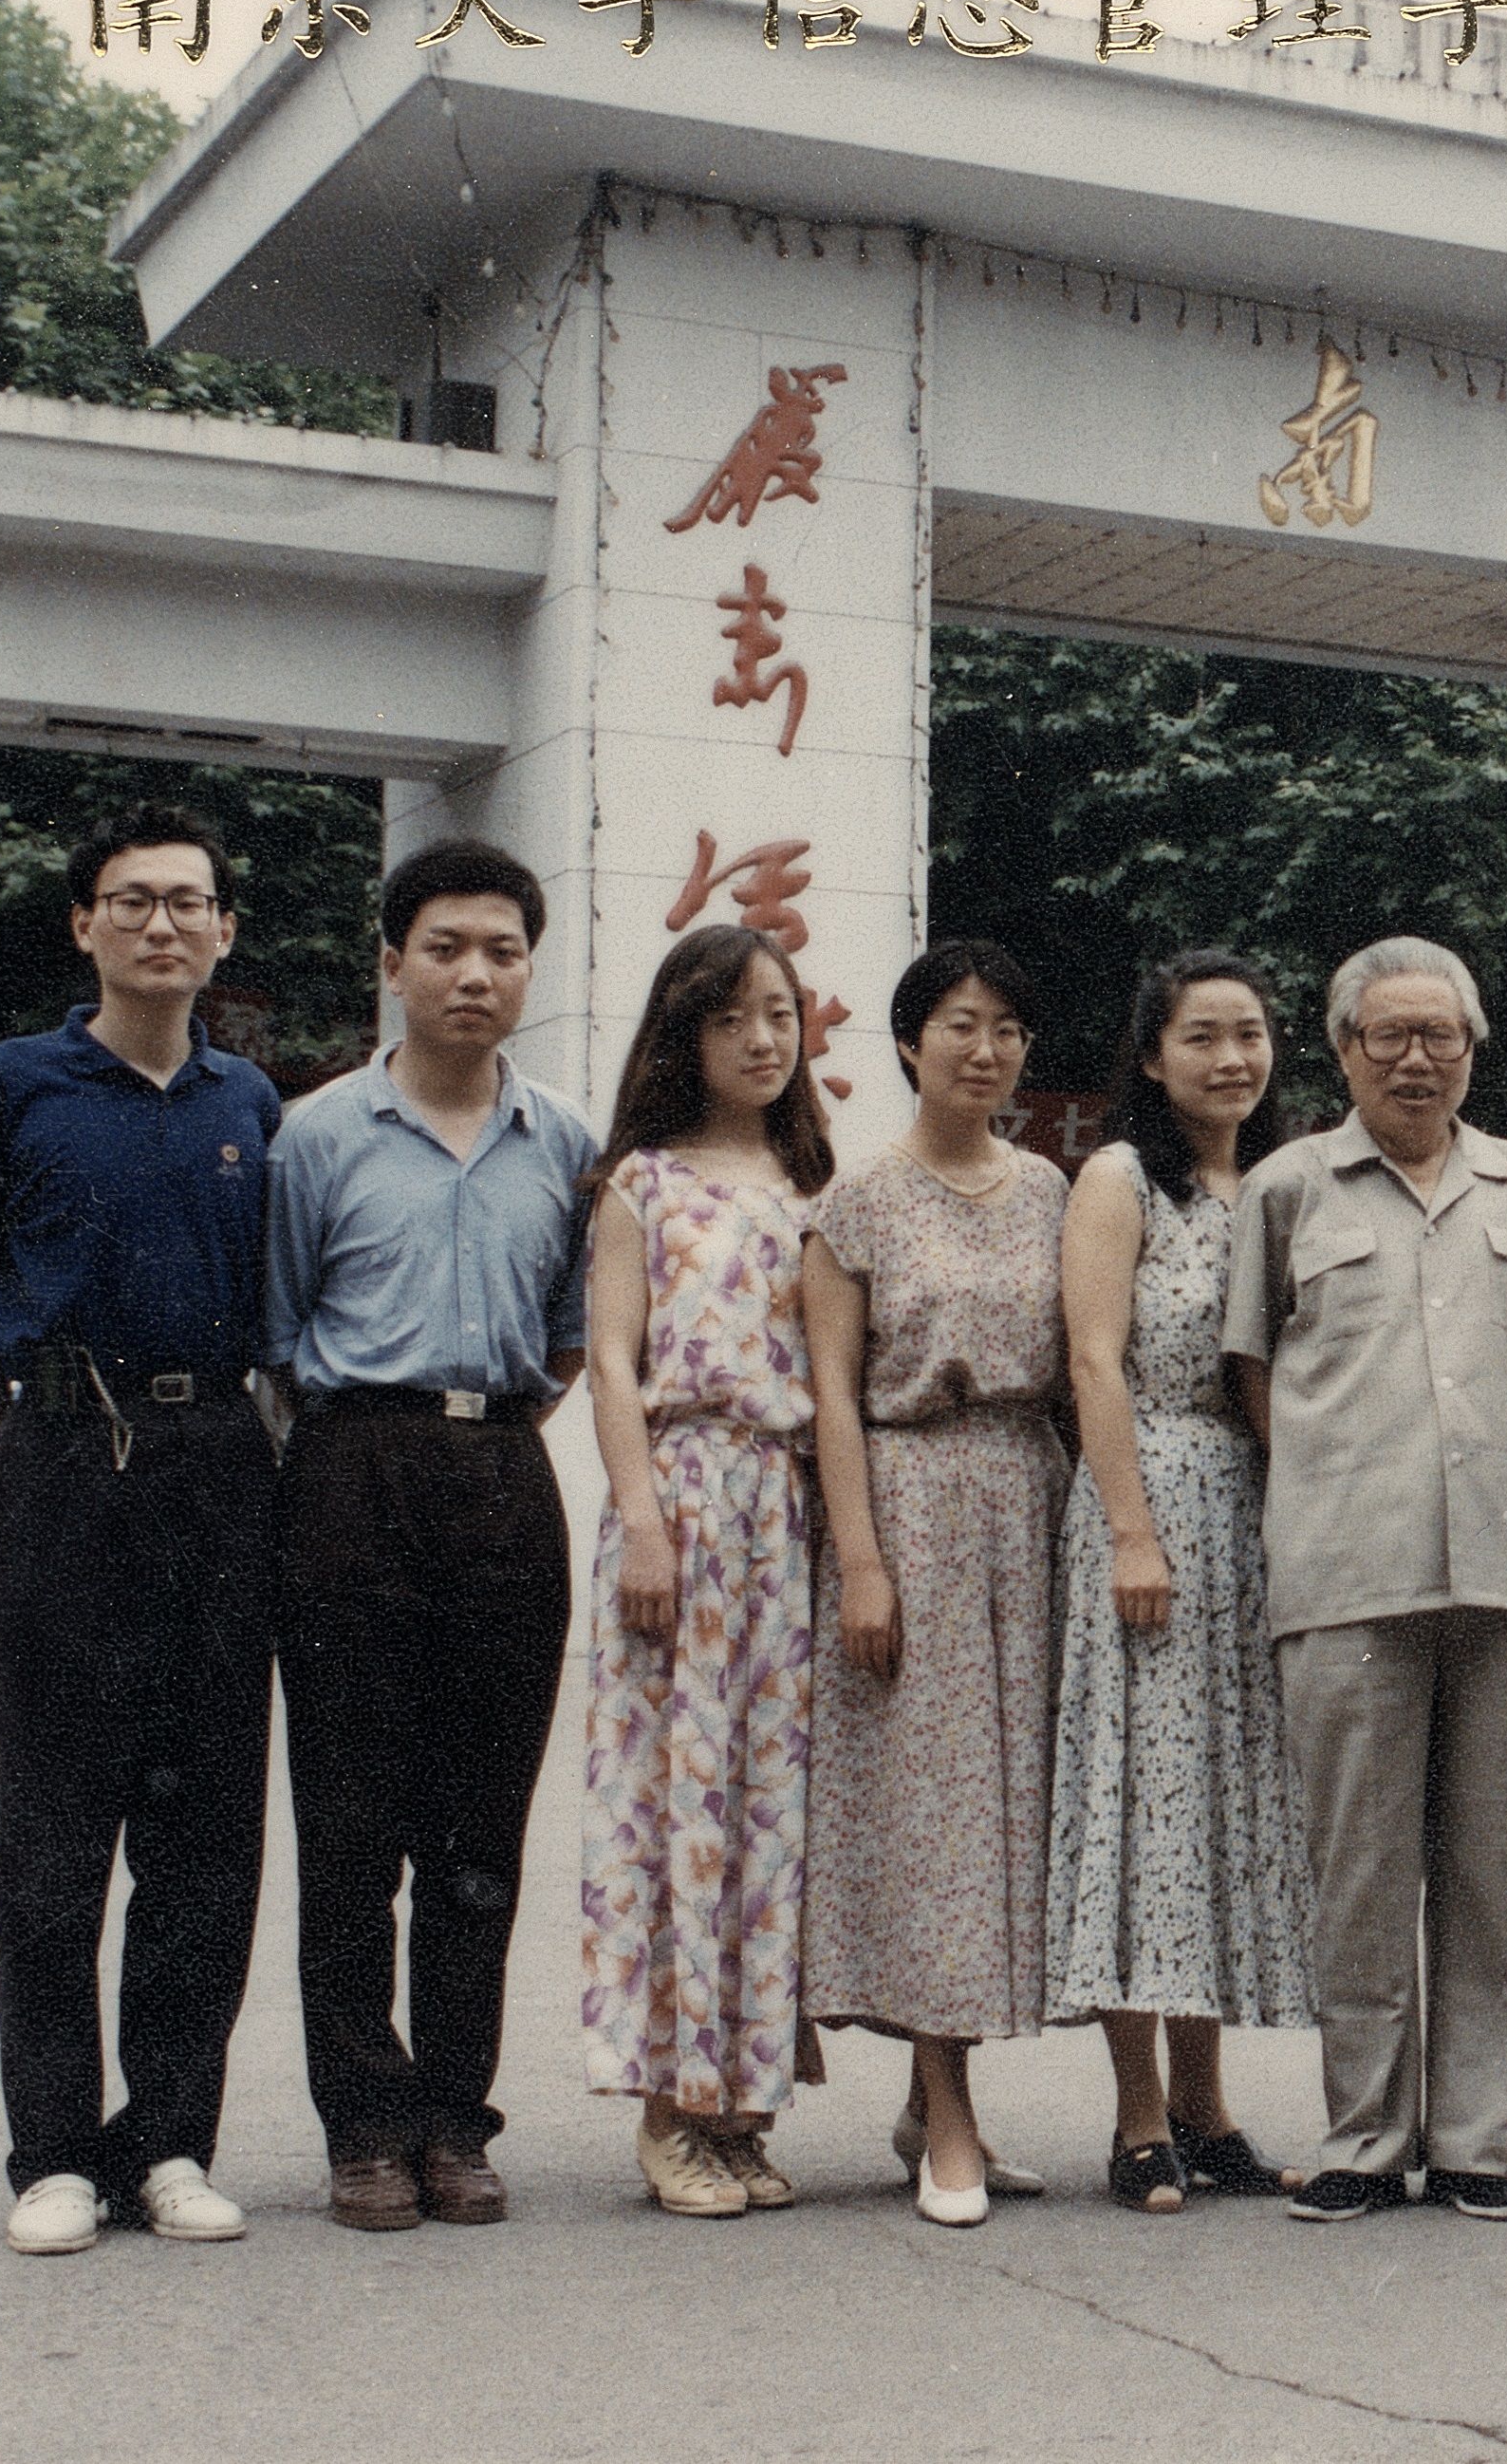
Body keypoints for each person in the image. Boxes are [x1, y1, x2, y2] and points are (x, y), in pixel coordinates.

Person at [0, 797, 282, 2256]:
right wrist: (13, 1455)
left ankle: (172, 2142)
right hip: (64, 1454)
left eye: (187, 902)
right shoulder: (13, 1084)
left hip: (216, 1463)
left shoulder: (249, 1104)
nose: (160, 924)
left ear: (223, 932)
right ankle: (55, 2154)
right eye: (131, 900)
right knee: (51, 1832)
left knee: (205, 1834)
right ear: (85, 925)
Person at [264, 838, 597, 2233]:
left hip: (505, 1472)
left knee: (480, 1833)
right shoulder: (316, 1135)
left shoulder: (565, 1143)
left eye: (502, 951)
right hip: (351, 1473)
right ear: (393, 963)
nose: (475, 974)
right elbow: (279, 1333)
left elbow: (570, 1337)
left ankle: (456, 2122)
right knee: (350, 1830)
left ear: (529, 971)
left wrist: (481, 1429)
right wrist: (376, 1443)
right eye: (446, 948)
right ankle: (364, 2127)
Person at [1224, 936, 1507, 2226]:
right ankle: (1365, 2138)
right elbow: (1254, 1371)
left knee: (1487, 1875)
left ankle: (1474, 2138)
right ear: (1344, 1049)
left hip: (1503, 1576)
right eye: (1391, 1036)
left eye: (1443, 1036)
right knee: (1361, 1875)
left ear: (1472, 1049)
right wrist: (1332, 1490)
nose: (1418, 1059)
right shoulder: (1287, 1189)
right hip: (1346, 1576)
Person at [801, 942, 1071, 2229]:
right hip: (909, 1499)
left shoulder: (1053, 1191)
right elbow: (832, 1398)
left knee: (1006, 1813)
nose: (986, 1048)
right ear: (910, 1041)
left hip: (1030, 1497)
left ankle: (932, 2099)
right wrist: (862, 1562)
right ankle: (951, 2114)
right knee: (933, 1812)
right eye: (961, 1023)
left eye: (1008, 1028)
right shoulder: (857, 1201)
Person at [1045, 950, 1318, 2213]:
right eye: (1200, 1035)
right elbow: (1093, 1362)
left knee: (1214, 1806)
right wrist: (1129, 1533)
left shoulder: (1279, 1182)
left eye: (1248, 1033)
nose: (1229, 1057)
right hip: (1148, 1490)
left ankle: (1210, 2111)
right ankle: (1139, 2115)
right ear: (1153, 1057)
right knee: (1140, 1803)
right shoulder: (1118, 1177)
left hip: (1251, 1510)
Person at [577, 923, 833, 2218]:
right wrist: (642, 1520)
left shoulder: (817, 1185)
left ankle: (742, 2106)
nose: (760, 1038)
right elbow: (612, 1361)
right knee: (672, 1800)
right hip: (680, 1499)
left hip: (787, 1513)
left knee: (770, 1812)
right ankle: (668, 2109)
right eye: (730, 1017)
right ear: (685, 1035)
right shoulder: (643, 1182)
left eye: (778, 1013)